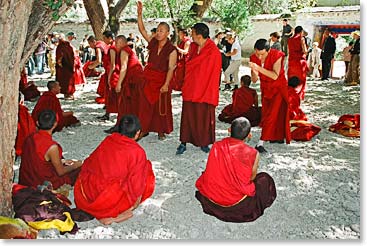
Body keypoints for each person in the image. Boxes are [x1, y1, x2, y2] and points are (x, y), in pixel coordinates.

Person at [73, 115, 155, 225]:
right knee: (147, 170)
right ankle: (116, 217)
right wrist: (134, 203)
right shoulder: (137, 152)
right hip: (108, 198)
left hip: (88, 193)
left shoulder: (109, 140)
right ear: (137, 133)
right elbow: (136, 185)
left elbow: (88, 163)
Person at [195, 117, 277, 222]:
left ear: (229, 130)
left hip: (213, 197)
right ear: (249, 136)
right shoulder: (253, 153)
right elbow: (251, 178)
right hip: (235, 202)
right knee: (265, 179)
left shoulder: (217, 146)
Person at [176, 22, 222, 155]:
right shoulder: (193, 47)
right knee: (188, 116)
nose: (191, 35)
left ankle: (204, 142)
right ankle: (184, 141)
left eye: (193, 33)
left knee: (203, 117)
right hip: (191, 87)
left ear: (199, 35)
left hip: (205, 89)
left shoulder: (213, 51)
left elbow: (214, 73)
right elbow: (190, 65)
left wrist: (208, 89)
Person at [136, 0, 177, 140]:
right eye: (158, 30)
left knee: (161, 106)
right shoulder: (152, 42)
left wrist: (166, 84)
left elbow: (171, 68)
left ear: (167, 33)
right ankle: (144, 129)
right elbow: (142, 30)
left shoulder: (172, 50)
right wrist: (139, 14)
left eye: (161, 31)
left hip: (161, 80)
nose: (158, 33)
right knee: (145, 105)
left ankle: (161, 130)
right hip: (149, 79)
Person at [19, 110, 83, 190]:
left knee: (63, 161)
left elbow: (35, 158)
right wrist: (75, 165)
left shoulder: (29, 138)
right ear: (55, 124)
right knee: (81, 169)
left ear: (37, 123)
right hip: (44, 182)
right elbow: (61, 172)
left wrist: (62, 161)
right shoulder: (52, 147)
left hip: (26, 181)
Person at [249, 38, 291, 153]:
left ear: (268, 50)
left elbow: (275, 76)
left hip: (278, 87)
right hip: (266, 88)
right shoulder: (253, 57)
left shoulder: (277, 55)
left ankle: (261, 142)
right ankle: (275, 136)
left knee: (275, 113)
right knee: (267, 113)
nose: (259, 57)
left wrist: (259, 68)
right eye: (257, 54)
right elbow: (254, 80)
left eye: (262, 54)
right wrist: (253, 70)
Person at [104, 35, 145, 133]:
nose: (116, 46)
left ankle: (121, 126)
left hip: (133, 81)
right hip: (136, 80)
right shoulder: (128, 50)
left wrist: (119, 83)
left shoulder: (124, 51)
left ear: (121, 43)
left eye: (117, 44)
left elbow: (124, 67)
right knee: (131, 104)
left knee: (125, 104)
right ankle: (130, 125)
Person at [96, 31, 116, 117]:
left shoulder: (113, 47)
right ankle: (108, 112)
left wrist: (110, 77)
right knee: (109, 94)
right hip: (109, 71)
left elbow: (113, 64)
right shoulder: (111, 46)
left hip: (112, 73)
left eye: (104, 38)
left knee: (111, 93)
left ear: (110, 38)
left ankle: (109, 114)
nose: (103, 40)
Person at [287, 26, 309, 100]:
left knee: (292, 79)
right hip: (300, 61)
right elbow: (305, 50)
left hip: (291, 61)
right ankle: (299, 95)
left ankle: (290, 94)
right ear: (301, 32)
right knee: (301, 79)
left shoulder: (289, 39)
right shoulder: (301, 38)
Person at [56, 33, 77, 100]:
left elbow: (60, 56)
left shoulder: (61, 46)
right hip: (70, 65)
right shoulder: (68, 46)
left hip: (64, 67)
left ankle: (67, 94)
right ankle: (70, 94)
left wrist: (59, 64)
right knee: (69, 79)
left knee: (65, 80)